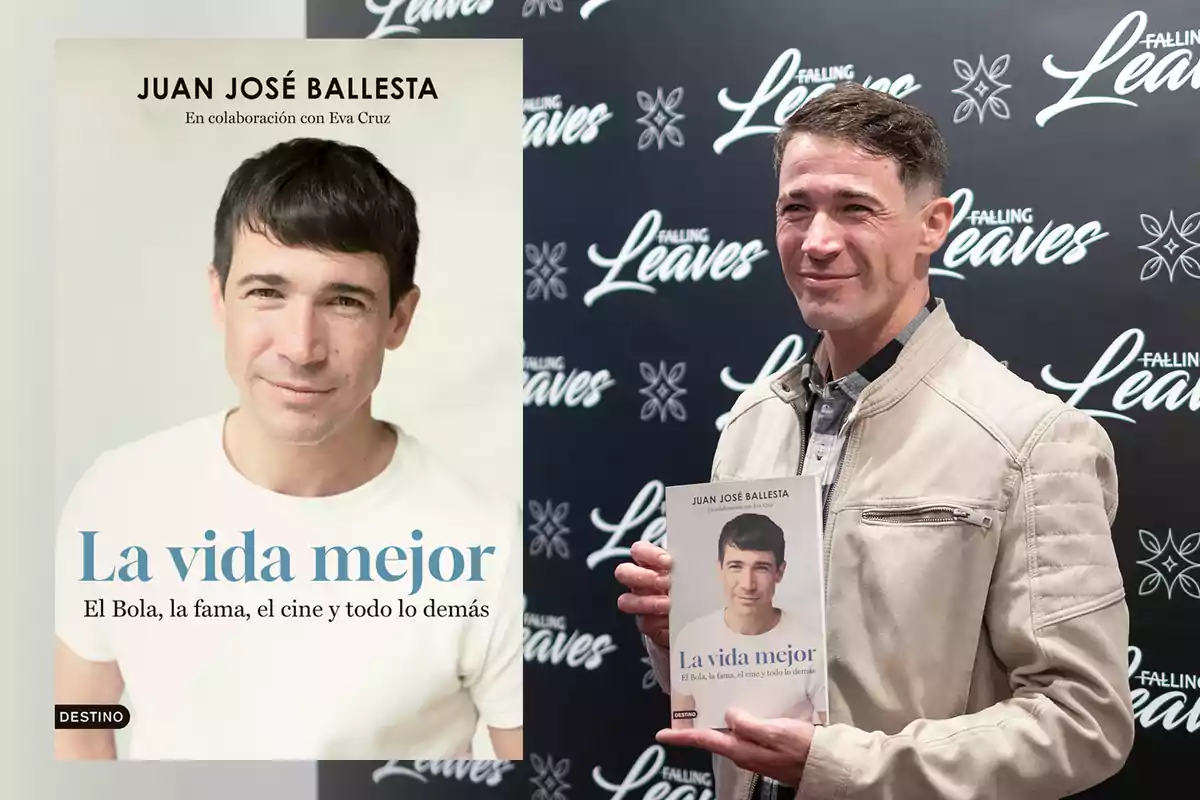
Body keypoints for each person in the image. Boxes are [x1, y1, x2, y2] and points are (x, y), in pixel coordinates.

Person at [614, 83, 1133, 800]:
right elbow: (743, 688)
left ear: (933, 225)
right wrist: (689, 639)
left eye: (855, 208)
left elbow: (1083, 721)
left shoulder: (1033, 440)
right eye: (796, 208)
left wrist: (840, 768)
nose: (818, 241)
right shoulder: (753, 421)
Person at [54, 137, 523, 761]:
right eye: (267, 293)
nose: (301, 347)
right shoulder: (117, 497)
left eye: (344, 301)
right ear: (219, 297)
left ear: (399, 320)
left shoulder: (487, 540)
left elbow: (528, 770)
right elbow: (83, 717)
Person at [672, 512, 826, 730]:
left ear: (780, 572)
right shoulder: (692, 637)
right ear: (720, 569)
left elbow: (828, 738)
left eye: (761, 568)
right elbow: (682, 727)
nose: (748, 584)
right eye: (736, 566)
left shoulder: (812, 645)